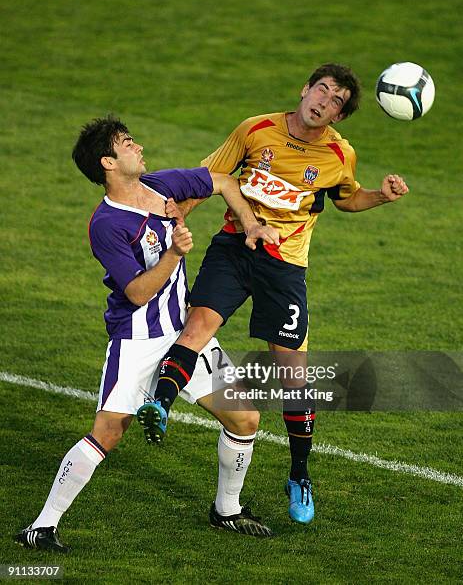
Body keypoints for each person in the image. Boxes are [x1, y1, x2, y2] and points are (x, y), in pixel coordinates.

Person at [138, 63, 410, 525]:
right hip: (234, 245)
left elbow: (344, 198)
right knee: (199, 324)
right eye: (322, 90)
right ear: (305, 90)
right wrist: (176, 216)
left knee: (292, 375)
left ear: (338, 117)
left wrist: (380, 196)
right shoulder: (255, 130)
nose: (324, 101)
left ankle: (299, 474)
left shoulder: (340, 156)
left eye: (336, 101)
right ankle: (159, 403)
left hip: (285, 266)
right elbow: (210, 177)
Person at [15, 116, 280, 553]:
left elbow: (223, 181)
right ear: (108, 163)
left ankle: (226, 511)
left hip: (184, 334)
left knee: (245, 417)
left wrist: (250, 225)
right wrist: (174, 254)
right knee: (109, 430)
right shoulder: (106, 224)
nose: (137, 146)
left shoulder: (162, 186)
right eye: (126, 143)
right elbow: (137, 293)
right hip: (137, 339)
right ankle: (41, 527)